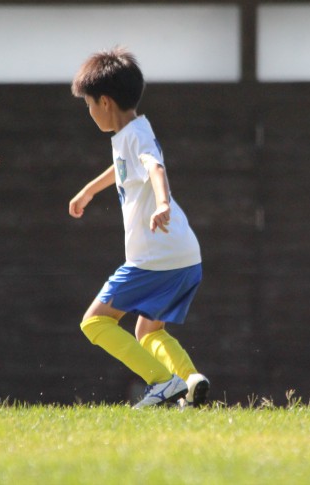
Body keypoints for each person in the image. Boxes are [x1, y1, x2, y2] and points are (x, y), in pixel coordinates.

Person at [68, 47, 209, 409]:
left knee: (94, 323)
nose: (89, 112)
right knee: (148, 330)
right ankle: (190, 381)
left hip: (153, 258)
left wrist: (162, 203)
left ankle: (162, 382)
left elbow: (154, 167)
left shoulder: (136, 137)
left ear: (105, 102)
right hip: (185, 256)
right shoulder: (134, 132)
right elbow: (123, 166)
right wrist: (89, 190)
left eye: (89, 105)